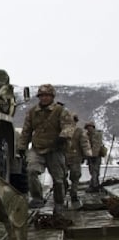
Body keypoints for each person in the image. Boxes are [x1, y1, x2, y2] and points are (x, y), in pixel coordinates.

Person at [17, 84, 75, 212]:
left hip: (55, 148)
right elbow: (26, 130)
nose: (44, 98)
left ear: (52, 96)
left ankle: (59, 202)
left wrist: (63, 137)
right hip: (37, 148)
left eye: (47, 96)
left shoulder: (60, 111)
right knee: (31, 171)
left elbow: (69, 126)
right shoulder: (32, 112)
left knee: (58, 179)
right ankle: (37, 198)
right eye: (41, 96)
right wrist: (22, 146)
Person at [65, 113, 91, 204]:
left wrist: (87, 155)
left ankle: (74, 193)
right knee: (61, 176)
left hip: (76, 158)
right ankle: (63, 190)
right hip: (63, 158)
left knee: (75, 176)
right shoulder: (61, 131)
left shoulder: (80, 131)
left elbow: (85, 144)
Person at [85, 120, 106, 192]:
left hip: (95, 156)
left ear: (93, 127)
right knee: (93, 171)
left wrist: (93, 155)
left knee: (94, 171)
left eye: (89, 127)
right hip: (91, 156)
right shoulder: (87, 135)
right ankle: (94, 184)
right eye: (87, 127)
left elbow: (96, 146)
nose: (88, 128)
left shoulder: (96, 135)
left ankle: (94, 186)